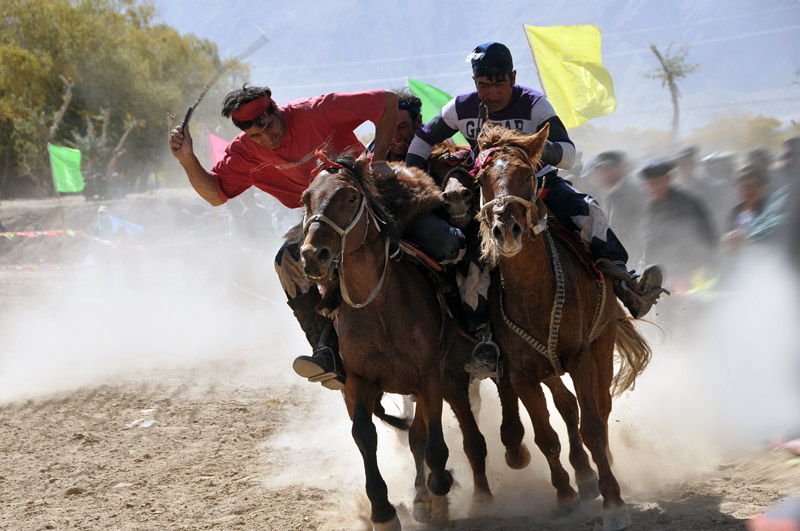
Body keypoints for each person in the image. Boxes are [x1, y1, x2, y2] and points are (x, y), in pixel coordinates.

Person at [169, 85, 464, 391]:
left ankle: (471, 328)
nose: (268, 138)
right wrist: (187, 159)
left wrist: (377, 161)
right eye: (256, 136)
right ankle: (325, 347)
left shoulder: (316, 110)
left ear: (275, 109)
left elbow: (387, 102)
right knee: (287, 262)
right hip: (320, 223)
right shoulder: (243, 152)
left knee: (447, 242)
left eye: (270, 127)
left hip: (366, 199)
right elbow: (215, 194)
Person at [405, 42, 665, 375]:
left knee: (587, 210)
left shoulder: (534, 104)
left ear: (513, 77)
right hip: (488, 195)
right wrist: (419, 179)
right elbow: (422, 140)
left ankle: (627, 285)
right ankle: (484, 339)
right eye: (484, 85)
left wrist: (527, 149)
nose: (493, 93)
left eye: (500, 84)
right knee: (469, 256)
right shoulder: (460, 107)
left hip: (538, 185)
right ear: (474, 82)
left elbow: (569, 155)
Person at [639, 157, 718, 281]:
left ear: (669, 179)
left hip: (688, 273)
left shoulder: (688, 202)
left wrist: (691, 270)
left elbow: (708, 238)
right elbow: (650, 241)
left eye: (659, 182)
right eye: (650, 183)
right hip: (661, 274)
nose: (654, 187)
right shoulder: (651, 206)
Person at [581, 151, 647, 268]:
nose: (604, 173)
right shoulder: (605, 195)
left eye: (608, 168)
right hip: (619, 257)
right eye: (601, 169)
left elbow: (642, 230)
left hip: (635, 257)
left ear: (621, 168)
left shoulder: (635, 192)